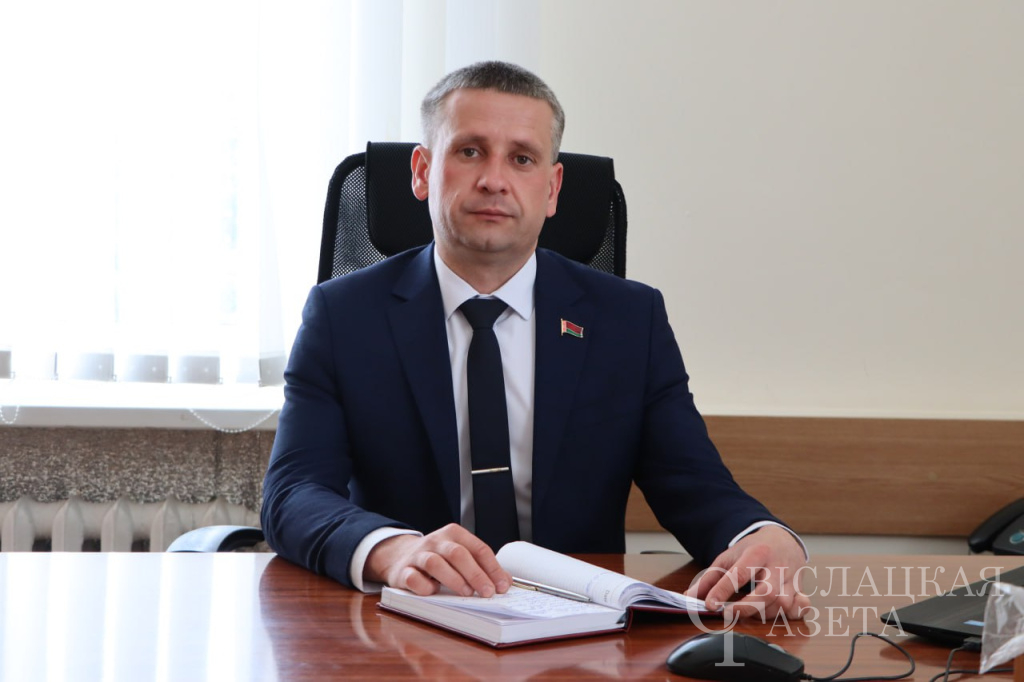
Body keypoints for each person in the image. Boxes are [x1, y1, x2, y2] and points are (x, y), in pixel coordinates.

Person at [261, 61, 809, 620]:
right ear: (422, 173)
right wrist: (393, 550)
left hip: (581, 630)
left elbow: (693, 483)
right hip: (410, 621)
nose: (494, 180)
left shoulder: (628, 320)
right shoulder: (343, 316)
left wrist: (761, 534)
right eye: (470, 151)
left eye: (521, 158)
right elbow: (293, 493)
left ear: (552, 188)